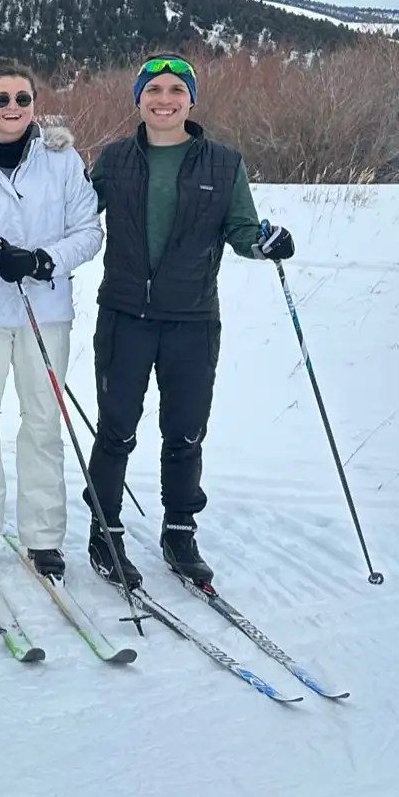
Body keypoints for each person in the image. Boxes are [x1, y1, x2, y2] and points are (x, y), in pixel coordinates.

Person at [83, 54, 295, 590]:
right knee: (115, 430)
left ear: (191, 100)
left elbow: (243, 229)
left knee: (185, 433)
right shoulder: (114, 160)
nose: (164, 98)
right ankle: (104, 532)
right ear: (138, 98)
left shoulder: (223, 164)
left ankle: (179, 531)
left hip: (192, 319)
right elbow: (71, 216)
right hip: (125, 315)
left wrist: (265, 242)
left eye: (176, 89)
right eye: (153, 89)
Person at [0, 59, 101, 580]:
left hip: (43, 310)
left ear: (35, 105)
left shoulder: (62, 159)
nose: (12, 108)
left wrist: (43, 259)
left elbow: (88, 231)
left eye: (22, 99)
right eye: (2, 99)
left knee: (43, 423)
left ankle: (44, 535)